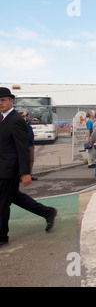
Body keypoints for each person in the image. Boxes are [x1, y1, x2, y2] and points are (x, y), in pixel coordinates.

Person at [0, 88, 57, 247]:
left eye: (3, 100)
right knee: (13, 197)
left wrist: (25, 172)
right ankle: (47, 212)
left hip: (9, 169)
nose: (0, 103)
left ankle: (2, 236)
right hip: (3, 167)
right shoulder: (3, 118)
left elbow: (22, 148)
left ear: (11, 101)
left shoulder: (16, 120)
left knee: (2, 203)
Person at [18, 109, 38, 180]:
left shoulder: (27, 124)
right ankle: (21, 176)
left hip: (30, 145)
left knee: (30, 160)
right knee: (23, 161)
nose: (25, 117)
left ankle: (29, 174)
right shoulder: (18, 125)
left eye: (26, 116)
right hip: (23, 146)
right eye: (23, 116)